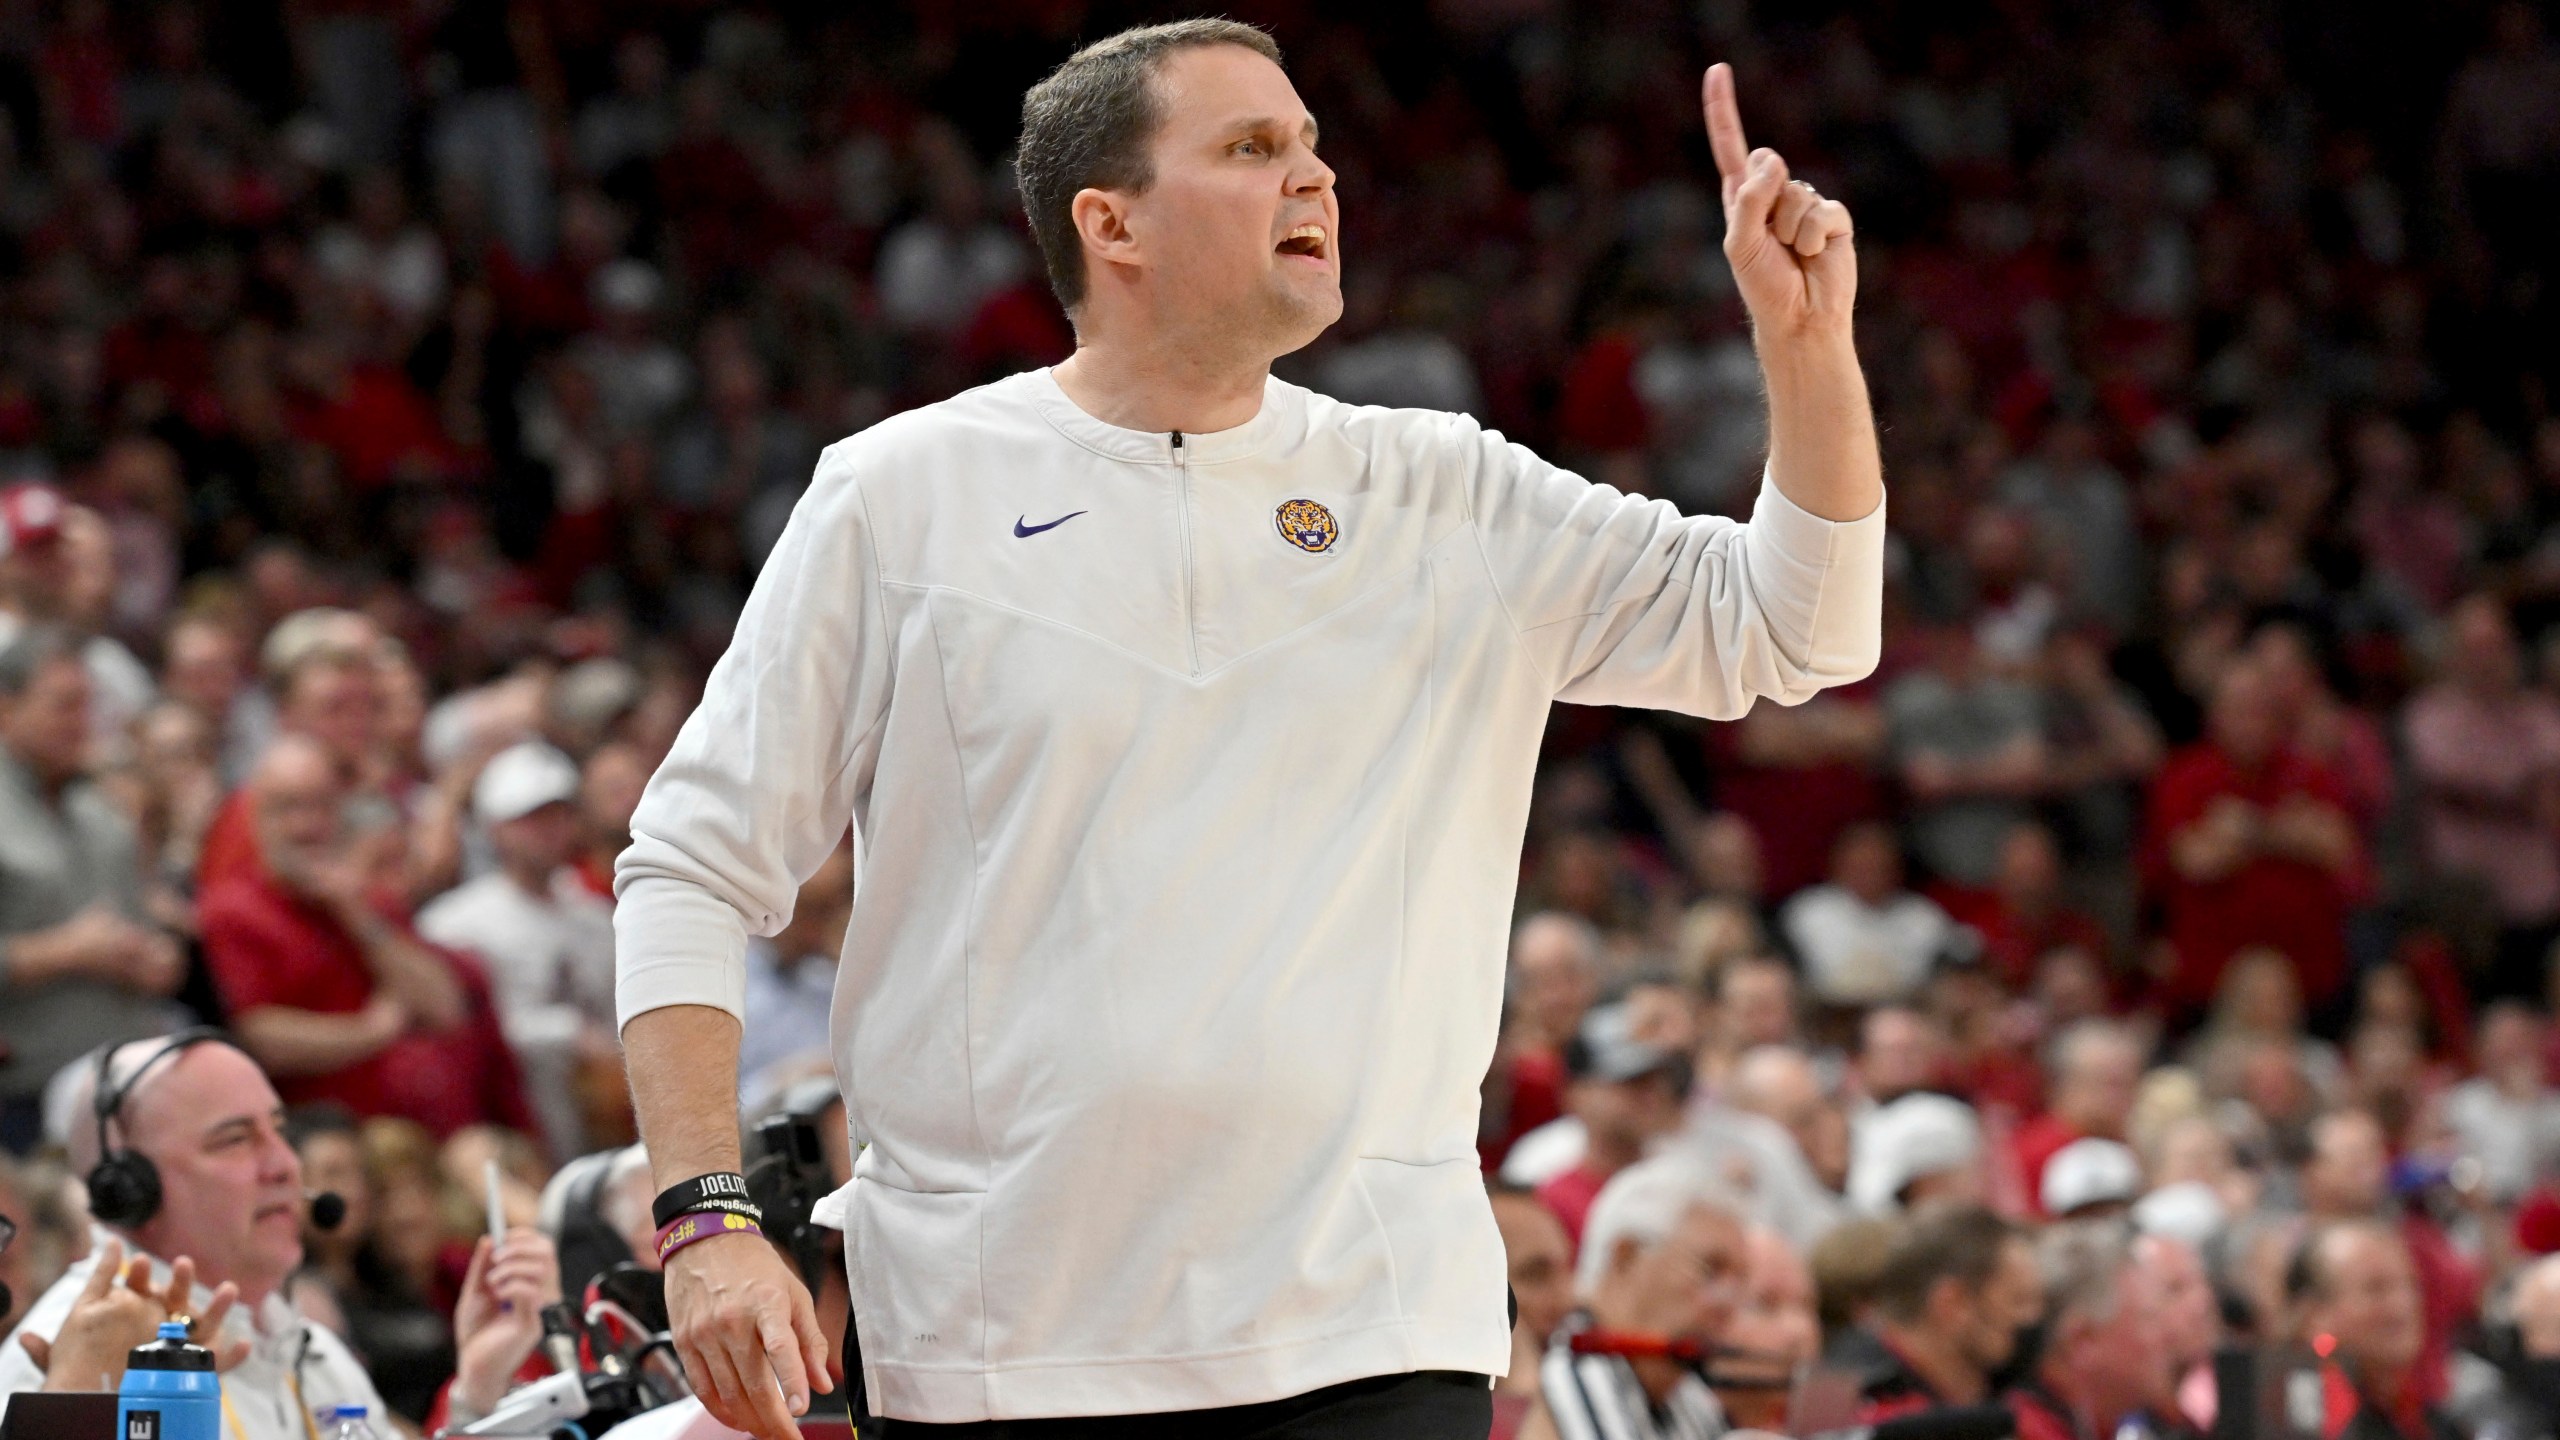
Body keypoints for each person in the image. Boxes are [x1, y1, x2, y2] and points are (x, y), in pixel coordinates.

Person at [613, 21, 1882, 1436]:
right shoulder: (905, 493)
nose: (1315, 180)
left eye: (1314, 147)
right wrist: (707, 1220)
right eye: (1252, 149)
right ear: (1113, 223)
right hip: (1005, 1344)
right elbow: (689, 867)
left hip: (1373, 1328)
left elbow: (1799, 631)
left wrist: (1807, 346)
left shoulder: (1444, 491)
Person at [0, 1033, 554, 1435]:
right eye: (236, 1139)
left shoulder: (306, 1346)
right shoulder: (63, 1358)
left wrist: (476, 1392)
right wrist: (80, 1397)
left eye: (279, 1132)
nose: (286, 1166)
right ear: (129, 1189)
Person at [198, 735, 534, 1137]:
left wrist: (354, 914)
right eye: (287, 807)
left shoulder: (366, 899)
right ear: (256, 815)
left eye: (320, 805)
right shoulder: (231, 909)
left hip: (434, 1135)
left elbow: (444, 1006)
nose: (306, 825)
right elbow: (260, 1037)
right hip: (330, 1143)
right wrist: (373, 1032)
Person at [0, 624, 185, 1152]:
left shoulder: (104, 816)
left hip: (123, 1093)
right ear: (5, 709)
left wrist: (154, 956)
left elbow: (142, 935)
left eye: (87, 705)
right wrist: (66, 951)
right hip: (21, 1105)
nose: (81, 723)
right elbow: (82, 946)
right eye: (64, 705)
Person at [416, 739, 620, 1159]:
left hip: (600, 1117)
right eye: (531, 819)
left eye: (559, 815)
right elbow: (456, 1035)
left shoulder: (598, 917)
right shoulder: (453, 924)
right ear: (494, 829)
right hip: (507, 1119)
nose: (549, 830)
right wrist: (566, 1033)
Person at [1522, 1156, 1749, 1440]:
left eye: (1739, 1282)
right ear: (1626, 1257)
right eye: (1709, 1270)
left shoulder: (1687, 1399)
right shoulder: (1576, 1371)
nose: (1727, 1303)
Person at [1847, 1202, 2044, 1422]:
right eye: (2018, 1301)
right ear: (1954, 1304)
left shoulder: (2004, 1400)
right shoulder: (1872, 1419)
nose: (2032, 1318)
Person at [2289, 1221, 2463, 1440]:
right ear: (2314, 1316)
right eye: (2376, 1289)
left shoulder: (2429, 1419)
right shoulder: (2288, 1418)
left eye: (2411, 1285)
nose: (2402, 1306)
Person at [2005, 1221, 2173, 1440]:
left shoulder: (2093, 1425)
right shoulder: (2028, 1431)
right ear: (2082, 1340)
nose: (2167, 1336)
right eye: (2148, 1319)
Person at [2011, 1020, 2147, 1215]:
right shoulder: (2031, 1152)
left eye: (2130, 1083)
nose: (2123, 1097)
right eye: (2111, 1084)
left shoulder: (2132, 1147)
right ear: (2068, 1082)